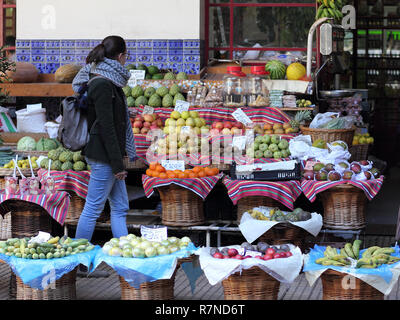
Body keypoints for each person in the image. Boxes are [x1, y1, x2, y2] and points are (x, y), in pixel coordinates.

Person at [72, 35, 137, 242]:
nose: (126, 60)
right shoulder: (101, 83)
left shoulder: (110, 81)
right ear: (120, 56)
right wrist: (118, 165)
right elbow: (106, 127)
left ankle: (124, 258)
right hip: (104, 156)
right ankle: (79, 261)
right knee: (93, 208)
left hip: (109, 155)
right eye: (126, 56)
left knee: (120, 207)